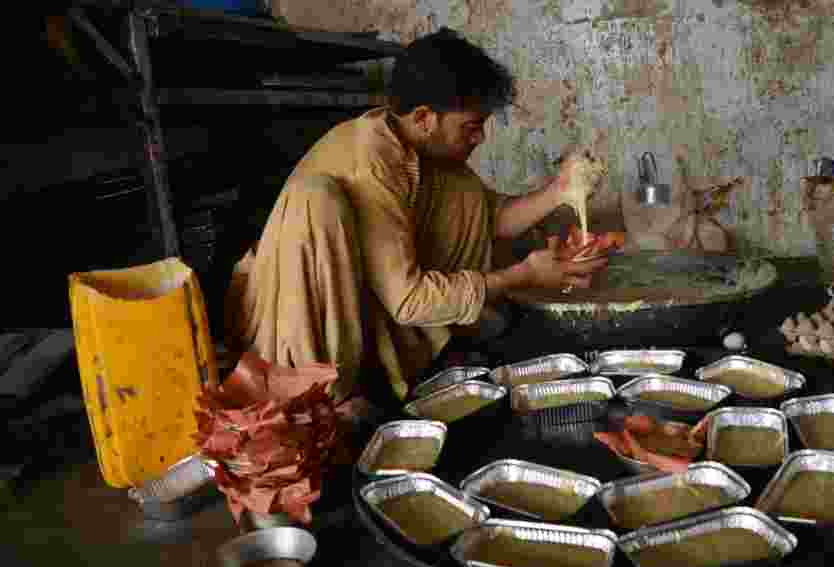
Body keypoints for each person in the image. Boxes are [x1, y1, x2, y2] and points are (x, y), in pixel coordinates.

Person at [224, 27, 607, 408]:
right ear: (425, 117)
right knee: (316, 198)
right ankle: (326, 396)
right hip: (293, 334)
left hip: (377, 308)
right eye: (471, 127)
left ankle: (411, 363)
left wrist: (560, 190)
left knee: (476, 224)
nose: (480, 138)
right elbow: (408, 300)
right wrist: (522, 276)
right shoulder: (371, 163)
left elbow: (489, 219)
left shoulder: (429, 156)